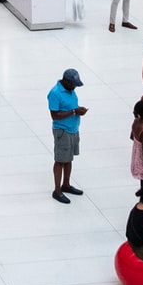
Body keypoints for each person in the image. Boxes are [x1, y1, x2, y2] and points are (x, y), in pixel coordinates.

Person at [47, 68, 86, 203]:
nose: (75, 87)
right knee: (60, 160)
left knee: (69, 159)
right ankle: (57, 191)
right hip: (62, 131)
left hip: (73, 129)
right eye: (73, 84)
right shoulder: (55, 93)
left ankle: (66, 185)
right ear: (66, 81)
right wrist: (74, 111)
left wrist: (77, 111)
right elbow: (55, 116)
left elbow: (69, 108)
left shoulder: (70, 90)